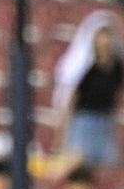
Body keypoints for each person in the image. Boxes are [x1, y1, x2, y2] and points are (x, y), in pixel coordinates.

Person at [52, 10, 123, 166]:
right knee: (81, 164)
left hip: (105, 121)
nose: (105, 41)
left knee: (108, 165)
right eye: (101, 35)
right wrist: (61, 133)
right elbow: (70, 99)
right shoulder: (83, 68)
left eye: (108, 35)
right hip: (83, 121)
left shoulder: (117, 66)